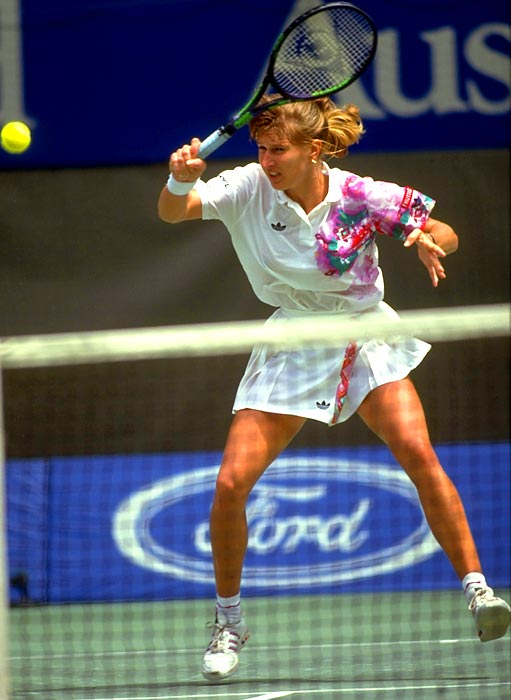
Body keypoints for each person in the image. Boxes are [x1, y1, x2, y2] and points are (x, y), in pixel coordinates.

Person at [158, 96, 510, 682]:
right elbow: (176, 212)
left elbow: (440, 228)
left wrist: (430, 241)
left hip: (367, 336)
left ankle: (479, 591)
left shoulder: (360, 195)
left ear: (314, 150)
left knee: (419, 455)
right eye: (262, 148)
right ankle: (228, 620)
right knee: (229, 483)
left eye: (280, 150)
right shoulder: (248, 186)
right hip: (295, 341)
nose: (267, 159)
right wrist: (177, 180)